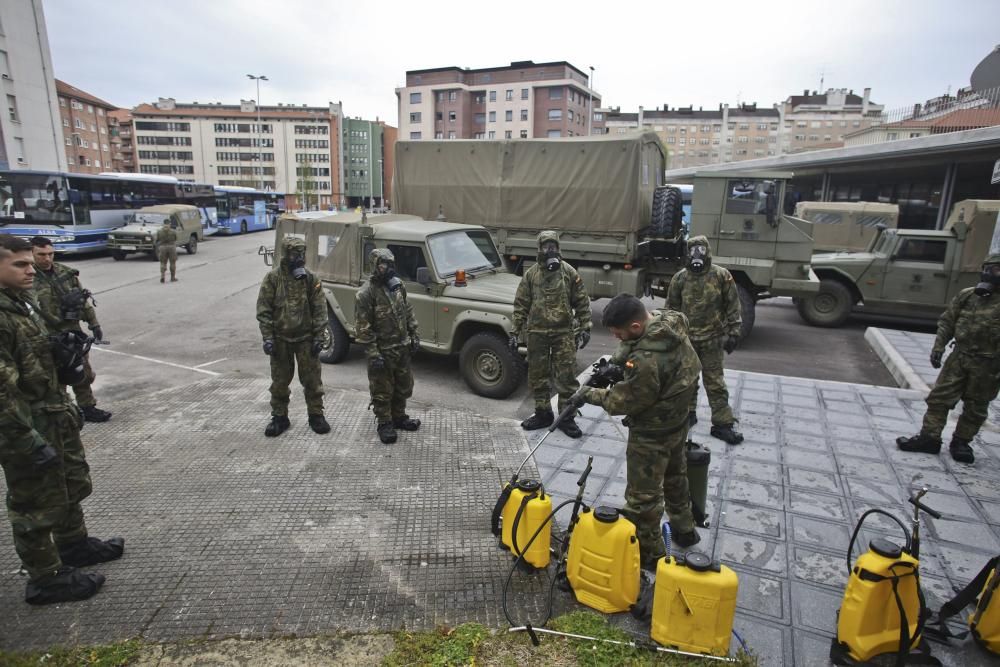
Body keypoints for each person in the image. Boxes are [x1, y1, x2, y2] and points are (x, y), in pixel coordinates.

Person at [0, 234, 124, 605]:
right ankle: (45, 577)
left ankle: (73, 545)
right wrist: (26, 439)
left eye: (31, 262)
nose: (31, 269)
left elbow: (35, 361)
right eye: (20, 264)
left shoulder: (22, 306)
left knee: (68, 483)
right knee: (34, 502)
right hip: (24, 424)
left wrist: (63, 361)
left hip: (54, 412)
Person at [577, 293, 703, 566]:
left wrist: (588, 394)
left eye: (619, 335)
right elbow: (636, 344)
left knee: (643, 498)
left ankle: (651, 554)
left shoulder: (647, 362)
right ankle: (685, 528)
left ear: (635, 328)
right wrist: (618, 362)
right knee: (675, 476)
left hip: (651, 435)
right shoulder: (670, 323)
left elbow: (623, 401)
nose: (618, 340)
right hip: (678, 422)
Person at [897, 254, 1000, 464]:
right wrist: (938, 347)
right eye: (992, 269)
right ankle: (929, 438)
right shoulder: (967, 296)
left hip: (988, 364)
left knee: (976, 406)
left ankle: (961, 442)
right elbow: (947, 322)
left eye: (998, 270)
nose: (994, 274)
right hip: (959, 358)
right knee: (939, 399)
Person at [511, 230, 592, 438]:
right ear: (539, 249)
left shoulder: (568, 272)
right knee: (538, 375)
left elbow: (582, 301)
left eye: (553, 246)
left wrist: (585, 326)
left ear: (558, 247)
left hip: (563, 333)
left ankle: (566, 417)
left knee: (566, 378)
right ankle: (543, 413)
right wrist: (515, 330)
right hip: (537, 333)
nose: (549, 250)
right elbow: (521, 303)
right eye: (545, 246)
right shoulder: (531, 274)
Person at [667, 235, 744, 445]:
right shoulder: (680, 278)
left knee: (715, 382)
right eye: (692, 250)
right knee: (686, 381)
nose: (696, 255)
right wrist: (670, 336)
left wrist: (734, 332)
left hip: (713, 340)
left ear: (707, 251)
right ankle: (688, 414)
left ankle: (722, 424)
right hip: (687, 340)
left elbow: (732, 305)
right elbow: (671, 310)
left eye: (700, 250)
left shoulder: (721, 275)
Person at [30, 236, 111, 423]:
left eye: (50, 254)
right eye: (41, 254)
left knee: (82, 371)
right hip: (47, 335)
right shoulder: (27, 277)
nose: (47, 259)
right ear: (32, 253)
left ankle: (88, 407)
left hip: (72, 332)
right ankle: (62, 411)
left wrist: (94, 324)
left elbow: (82, 301)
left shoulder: (65, 273)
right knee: (55, 377)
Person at [256, 236, 330, 437]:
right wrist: (268, 338)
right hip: (281, 340)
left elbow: (320, 310)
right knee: (279, 382)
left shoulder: (311, 279)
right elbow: (264, 310)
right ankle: (280, 417)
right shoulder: (272, 279)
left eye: (302, 253)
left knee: (312, 381)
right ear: (286, 255)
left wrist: (318, 338)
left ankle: (316, 415)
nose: (299, 258)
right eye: (295, 254)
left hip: (305, 339)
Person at [355, 248, 421, 445]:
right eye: (384, 264)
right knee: (382, 390)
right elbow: (362, 327)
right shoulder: (366, 294)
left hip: (401, 346)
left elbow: (407, 310)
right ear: (375, 267)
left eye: (391, 264)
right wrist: (373, 353)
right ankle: (384, 422)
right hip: (382, 351)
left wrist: (414, 334)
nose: (388, 268)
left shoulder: (397, 286)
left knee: (404, 385)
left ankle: (399, 416)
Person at [156, 216, 178, 283]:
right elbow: (176, 239)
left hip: (162, 247)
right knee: (172, 263)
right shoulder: (173, 231)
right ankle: (172, 277)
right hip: (171, 247)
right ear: (169, 224)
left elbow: (157, 239)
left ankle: (162, 276)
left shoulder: (159, 231)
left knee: (162, 262)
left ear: (163, 223)